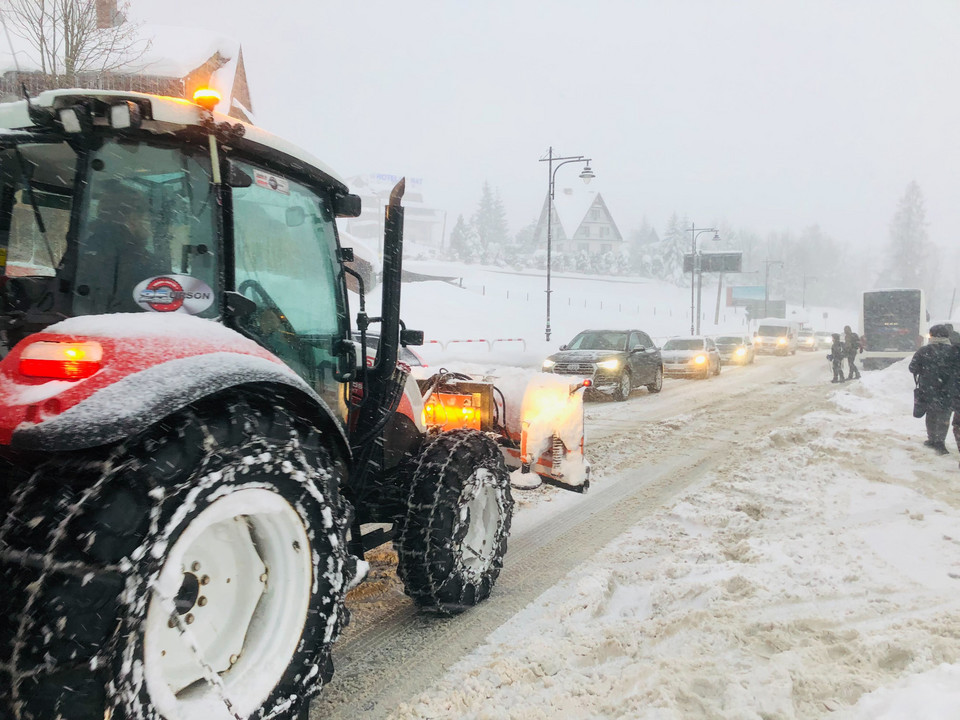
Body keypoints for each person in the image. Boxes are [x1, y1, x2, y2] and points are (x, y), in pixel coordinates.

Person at [908, 323, 955, 455]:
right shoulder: (954, 351)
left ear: (932, 335)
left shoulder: (924, 351)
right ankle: (940, 442)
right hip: (948, 389)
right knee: (945, 414)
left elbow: (912, 368)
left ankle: (932, 439)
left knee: (931, 414)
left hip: (928, 389)